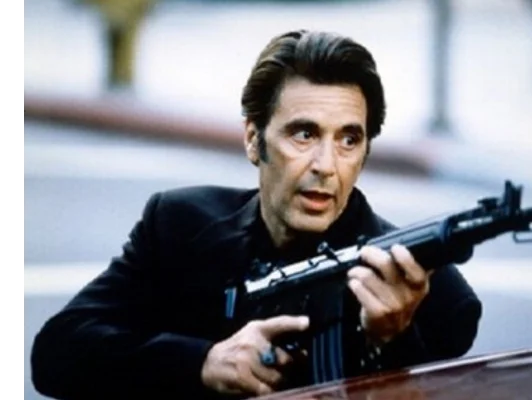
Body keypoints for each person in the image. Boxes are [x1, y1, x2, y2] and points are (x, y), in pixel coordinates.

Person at [30, 29, 482, 399]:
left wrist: (393, 339)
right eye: (304, 134)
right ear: (253, 139)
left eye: (348, 140)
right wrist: (203, 362)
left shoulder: (433, 291)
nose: (326, 165)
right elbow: (56, 353)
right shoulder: (180, 224)